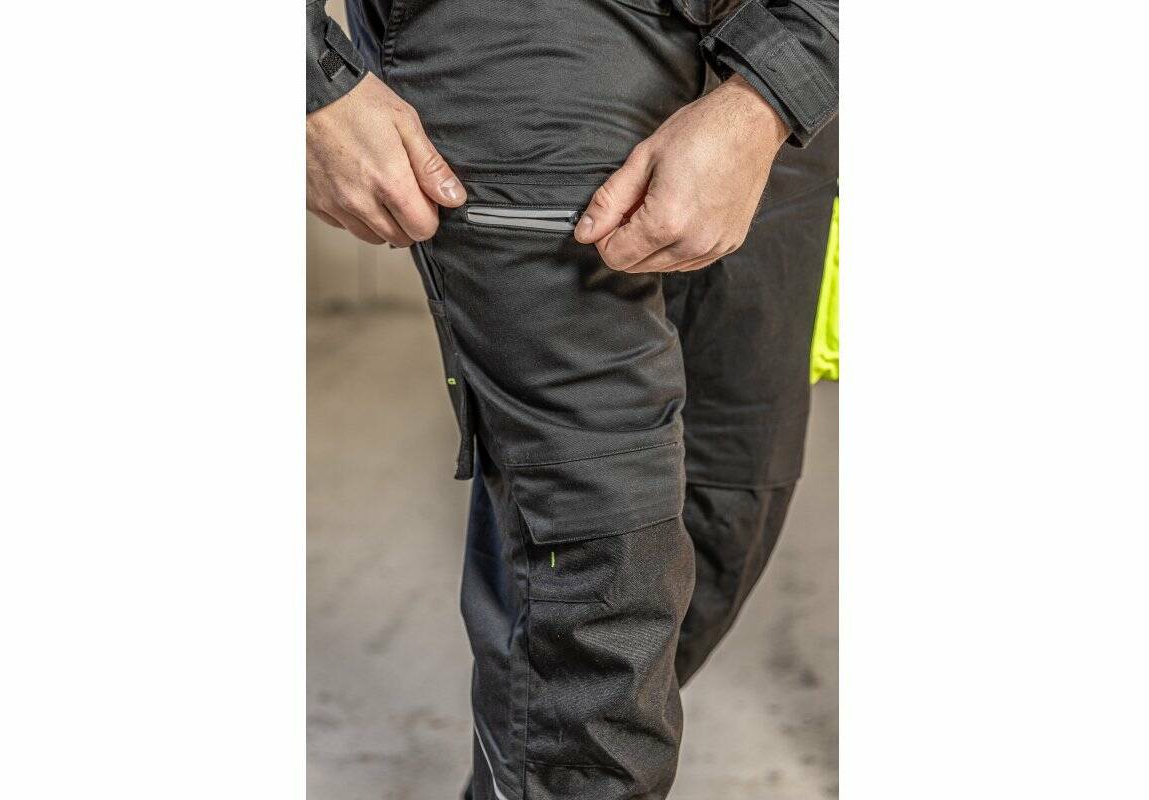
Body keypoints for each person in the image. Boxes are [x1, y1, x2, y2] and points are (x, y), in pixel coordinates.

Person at [306, 1, 837, 797]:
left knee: (725, 502)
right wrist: (307, 85)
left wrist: (774, 89)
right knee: (603, 585)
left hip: (764, 34)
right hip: (522, 43)